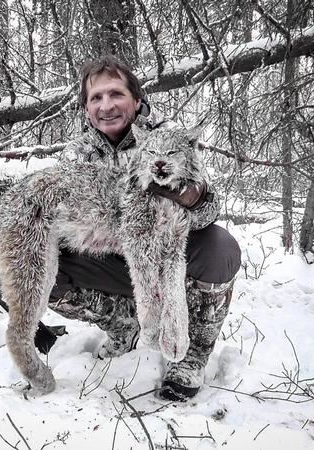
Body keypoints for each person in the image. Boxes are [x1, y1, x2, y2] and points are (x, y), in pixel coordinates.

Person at [48, 55, 241, 401]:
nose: (106, 105)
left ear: (137, 100)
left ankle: (192, 354)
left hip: (166, 259)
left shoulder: (170, 137)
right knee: (42, 265)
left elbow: (209, 210)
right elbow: (63, 217)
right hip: (114, 262)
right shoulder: (77, 154)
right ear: (86, 108)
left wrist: (190, 198)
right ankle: (124, 326)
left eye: (116, 94)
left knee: (219, 248)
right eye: (96, 98)